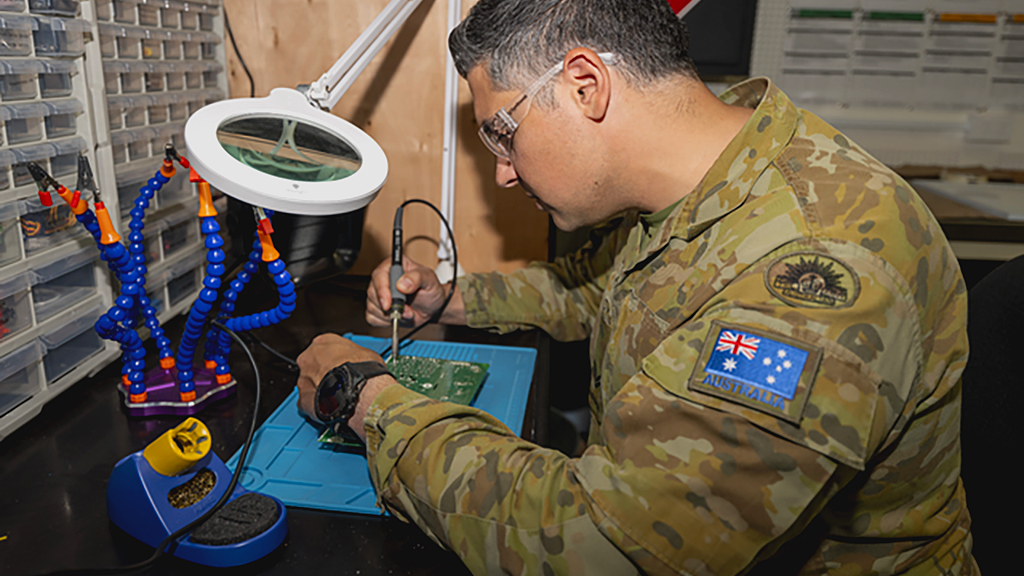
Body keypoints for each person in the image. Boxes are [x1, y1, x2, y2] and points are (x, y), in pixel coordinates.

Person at [296, 0, 977, 573]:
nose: (503, 173)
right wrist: (454, 297)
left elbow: (610, 543)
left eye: (501, 135)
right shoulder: (705, 181)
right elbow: (600, 294)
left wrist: (369, 398)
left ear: (585, 84)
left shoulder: (816, 264)